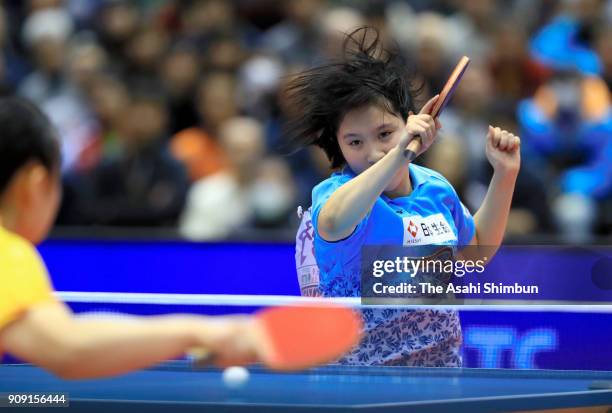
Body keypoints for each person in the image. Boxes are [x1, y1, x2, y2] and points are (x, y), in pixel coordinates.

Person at [287, 27, 520, 366]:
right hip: (358, 383)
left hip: (440, 374)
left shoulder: (434, 188)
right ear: (338, 146)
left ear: (410, 123)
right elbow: (335, 222)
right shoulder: (334, 197)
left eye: (384, 133)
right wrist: (398, 152)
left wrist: (505, 175)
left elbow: (474, 252)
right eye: (354, 142)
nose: (372, 152)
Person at [0, 96, 260, 379]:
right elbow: (67, 347)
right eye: (56, 181)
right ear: (34, 185)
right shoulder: (8, 252)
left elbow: (59, 334)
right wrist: (200, 331)